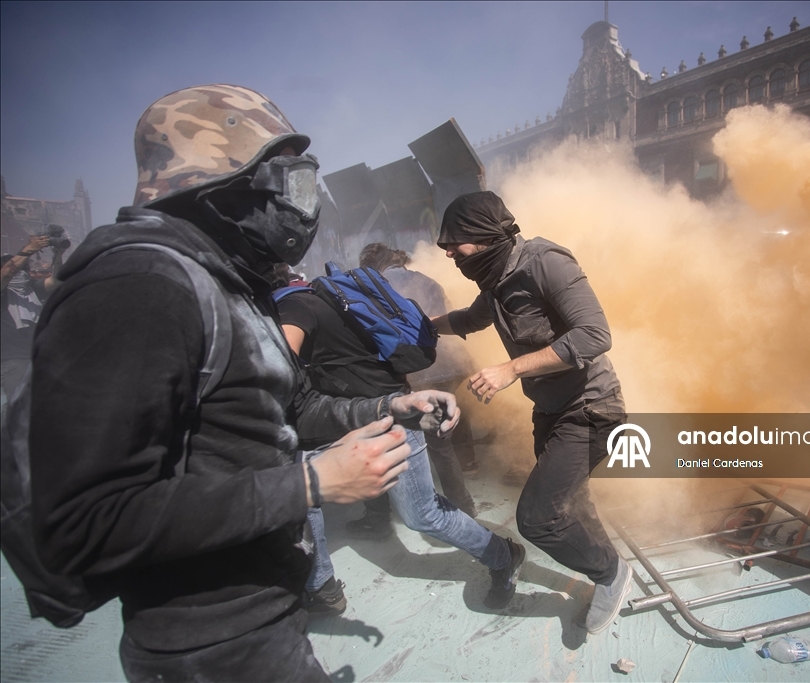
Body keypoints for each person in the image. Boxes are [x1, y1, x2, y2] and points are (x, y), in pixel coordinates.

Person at [28, 84, 460, 683]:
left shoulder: (228, 285)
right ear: (221, 189)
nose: (300, 208)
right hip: (208, 645)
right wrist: (309, 483)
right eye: (286, 184)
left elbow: (291, 406)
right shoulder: (137, 288)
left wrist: (394, 403)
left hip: (267, 618)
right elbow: (81, 526)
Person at [275, 257, 526, 611]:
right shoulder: (320, 292)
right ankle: (322, 585)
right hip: (369, 411)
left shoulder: (291, 306)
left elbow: (274, 371)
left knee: (422, 514)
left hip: (384, 414)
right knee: (300, 491)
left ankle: (504, 555)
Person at [432, 191, 632, 635]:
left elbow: (595, 335)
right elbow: (470, 320)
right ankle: (604, 558)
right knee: (571, 502)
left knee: (537, 519)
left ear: (483, 237)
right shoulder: (496, 280)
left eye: (454, 241)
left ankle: (610, 574)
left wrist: (511, 369)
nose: (448, 252)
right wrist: (425, 326)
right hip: (551, 412)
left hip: (591, 409)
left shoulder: (544, 261)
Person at [357, 243, 478, 517]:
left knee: (436, 441)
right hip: (454, 362)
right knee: (452, 418)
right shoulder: (428, 280)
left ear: (370, 265)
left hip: (423, 369)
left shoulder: (378, 284)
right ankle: (470, 463)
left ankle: (462, 507)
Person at [1, 233, 65, 402]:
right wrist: (29, 249)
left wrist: (58, 253)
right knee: (19, 405)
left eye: (24, 270)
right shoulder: (3, 293)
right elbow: (7, 272)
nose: (22, 273)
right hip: (14, 360)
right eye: (19, 270)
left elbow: (57, 279)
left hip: (39, 356)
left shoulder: (31, 291)